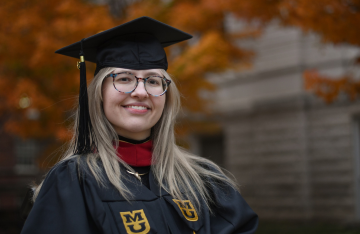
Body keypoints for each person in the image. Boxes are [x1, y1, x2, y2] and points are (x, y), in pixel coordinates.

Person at [21, 17, 258, 234]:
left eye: (153, 81)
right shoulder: (73, 182)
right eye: (124, 79)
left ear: (167, 96)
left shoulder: (204, 179)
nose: (141, 92)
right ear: (99, 94)